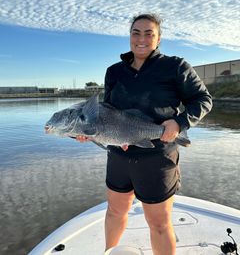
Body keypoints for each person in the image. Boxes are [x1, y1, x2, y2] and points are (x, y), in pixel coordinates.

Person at [77, 13, 212, 255]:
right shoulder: (114, 71)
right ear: (129, 37)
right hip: (119, 153)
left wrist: (180, 122)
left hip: (158, 156)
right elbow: (106, 111)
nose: (141, 39)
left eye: (149, 33)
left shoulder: (175, 67)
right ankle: (111, 252)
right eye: (135, 33)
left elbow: (203, 99)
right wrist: (91, 131)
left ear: (158, 39)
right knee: (115, 212)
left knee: (159, 224)